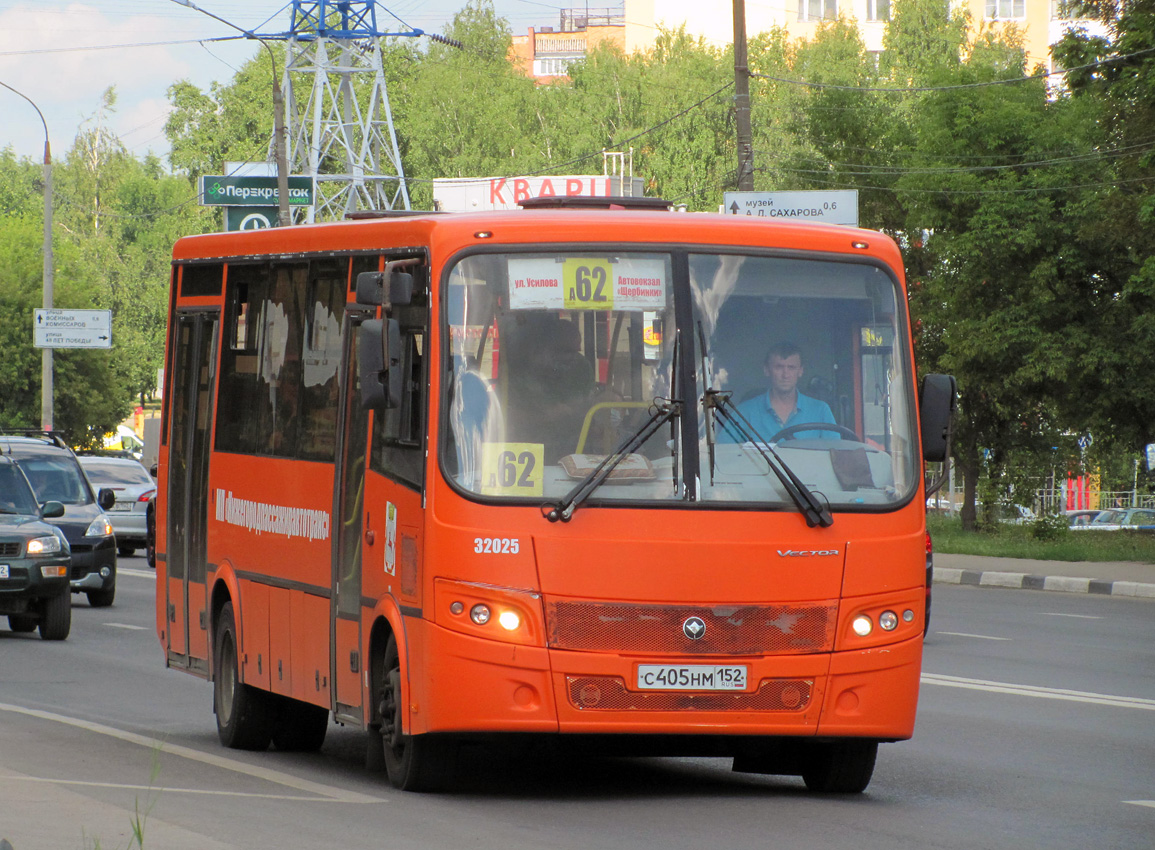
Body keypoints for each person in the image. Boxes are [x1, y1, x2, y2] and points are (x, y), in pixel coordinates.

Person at [725, 342, 837, 442]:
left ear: (801, 371)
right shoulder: (744, 412)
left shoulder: (821, 411)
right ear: (767, 370)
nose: (785, 375)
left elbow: (835, 455)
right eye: (779, 367)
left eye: (791, 367)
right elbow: (724, 455)